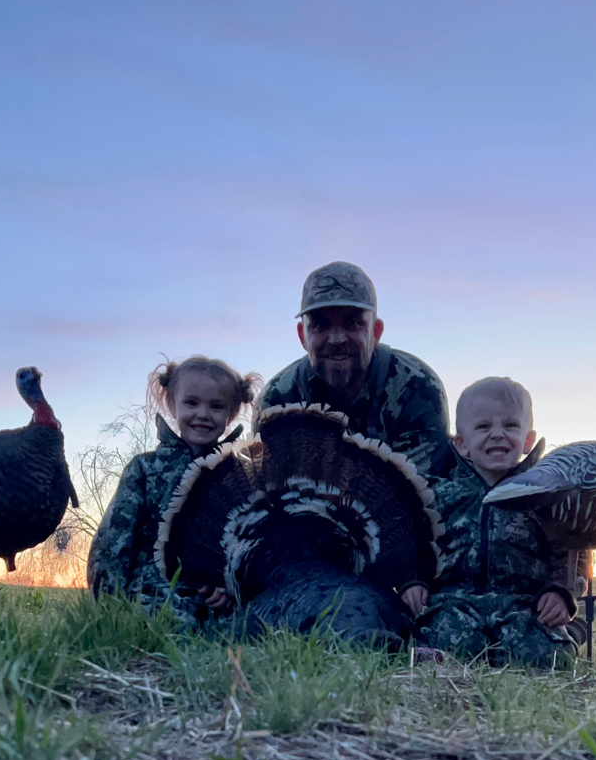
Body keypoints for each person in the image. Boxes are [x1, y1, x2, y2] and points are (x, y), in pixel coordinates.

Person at [260, 261, 452, 616]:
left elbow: (425, 498)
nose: (336, 338)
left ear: (375, 331)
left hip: (404, 552)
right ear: (302, 336)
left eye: (352, 323)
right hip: (313, 550)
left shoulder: (416, 387)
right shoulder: (279, 397)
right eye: (320, 325)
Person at [415, 377, 583, 668]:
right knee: (448, 644)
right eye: (483, 426)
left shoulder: (546, 496)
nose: (497, 434)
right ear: (462, 444)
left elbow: (573, 550)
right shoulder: (438, 495)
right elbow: (415, 542)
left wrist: (561, 593)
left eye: (510, 426)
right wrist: (412, 582)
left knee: (549, 659)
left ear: (527, 441)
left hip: (524, 606)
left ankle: (569, 634)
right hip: (454, 603)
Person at [88, 356, 260, 619]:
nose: (202, 414)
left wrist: (231, 596)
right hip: (150, 597)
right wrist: (108, 608)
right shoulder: (145, 468)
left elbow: (247, 551)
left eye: (216, 406)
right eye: (191, 403)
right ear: (172, 403)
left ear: (231, 413)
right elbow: (113, 545)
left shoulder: (241, 476)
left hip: (215, 609)